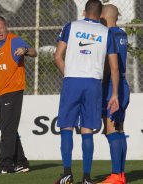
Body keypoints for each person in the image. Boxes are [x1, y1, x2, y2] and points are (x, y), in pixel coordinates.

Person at [54, 0, 120, 183]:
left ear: (84, 12)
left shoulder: (71, 26)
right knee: (87, 129)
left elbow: (57, 56)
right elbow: (114, 68)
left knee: (66, 126)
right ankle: (87, 178)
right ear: (100, 15)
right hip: (94, 83)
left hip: (72, 81)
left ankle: (67, 173)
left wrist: (69, 74)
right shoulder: (107, 33)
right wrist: (114, 94)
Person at [0, 15, 37, 174]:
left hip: (14, 91)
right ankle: (21, 162)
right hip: (1, 92)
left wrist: (25, 50)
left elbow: (34, 52)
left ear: (6, 27)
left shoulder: (14, 41)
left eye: (1, 28)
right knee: (9, 128)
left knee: (7, 129)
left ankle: (5, 165)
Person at [99, 4, 129, 184]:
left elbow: (110, 64)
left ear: (103, 15)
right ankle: (121, 174)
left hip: (112, 85)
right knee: (119, 128)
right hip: (123, 84)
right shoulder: (122, 34)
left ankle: (116, 175)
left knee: (111, 129)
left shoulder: (107, 35)